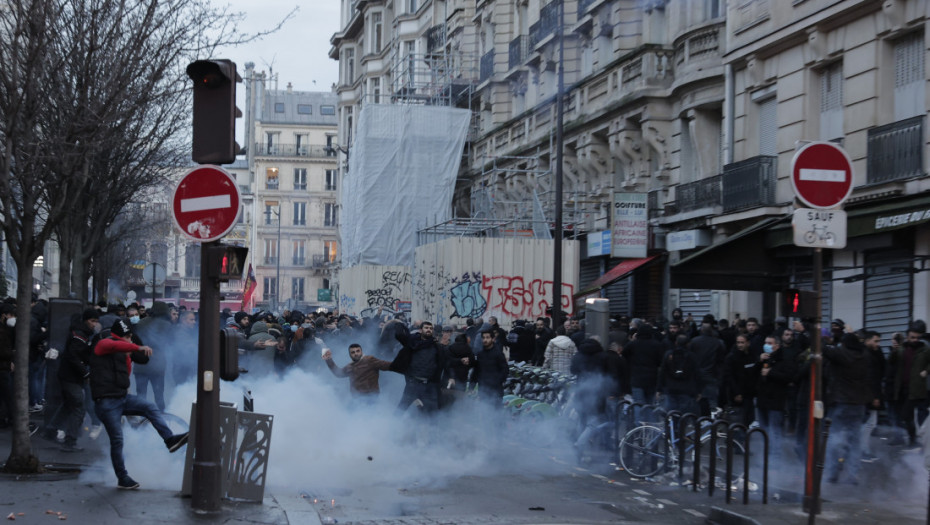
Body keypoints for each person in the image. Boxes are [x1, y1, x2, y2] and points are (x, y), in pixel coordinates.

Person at [90, 319, 188, 489]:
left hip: (122, 398)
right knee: (117, 439)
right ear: (120, 336)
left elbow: (142, 358)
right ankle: (122, 477)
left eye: (131, 337)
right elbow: (113, 345)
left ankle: (170, 440)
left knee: (150, 407)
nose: (131, 340)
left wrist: (136, 349)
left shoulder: (127, 349)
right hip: (106, 402)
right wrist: (136, 347)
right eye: (128, 337)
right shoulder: (103, 345)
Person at [823, 331, 871, 483]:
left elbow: (823, 349)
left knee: (834, 439)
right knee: (854, 441)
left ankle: (833, 472)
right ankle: (853, 473)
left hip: (841, 402)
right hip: (858, 404)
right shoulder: (865, 356)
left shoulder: (842, 354)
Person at [54, 308, 99, 452]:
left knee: (69, 405)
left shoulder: (82, 333)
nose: (94, 324)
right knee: (79, 407)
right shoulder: (80, 335)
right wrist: (85, 373)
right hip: (71, 376)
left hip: (70, 375)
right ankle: (70, 441)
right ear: (86, 320)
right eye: (92, 321)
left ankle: (51, 430)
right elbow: (73, 356)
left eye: (96, 321)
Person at [391, 321, 450, 414]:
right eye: (426, 328)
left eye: (431, 328)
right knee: (401, 409)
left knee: (433, 412)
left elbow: (444, 363)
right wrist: (399, 323)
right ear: (420, 330)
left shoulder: (437, 347)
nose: (429, 330)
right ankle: (392, 427)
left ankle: (430, 428)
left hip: (429, 385)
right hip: (413, 384)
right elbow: (399, 334)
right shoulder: (413, 343)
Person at [322, 343, 393, 401]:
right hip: (357, 399)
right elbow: (339, 373)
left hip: (371, 398)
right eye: (353, 352)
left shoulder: (369, 360)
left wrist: (401, 361)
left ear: (361, 351)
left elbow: (387, 365)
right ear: (350, 354)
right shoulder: (350, 366)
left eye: (358, 351)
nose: (356, 353)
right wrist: (329, 360)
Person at [657, 334, 700, 414]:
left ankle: (673, 425)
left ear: (676, 343)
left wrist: (659, 389)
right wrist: (698, 390)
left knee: (672, 412)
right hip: (686, 389)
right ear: (688, 344)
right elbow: (697, 374)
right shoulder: (692, 356)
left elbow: (662, 372)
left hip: (670, 388)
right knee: (684, 414)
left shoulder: (668, 354)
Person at [472, 330, 508, 405]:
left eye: (487, 337)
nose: (485, 340)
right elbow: (476, 371)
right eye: (483, 338)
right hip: (483, 390)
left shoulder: (498, 354)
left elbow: (505, 370)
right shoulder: (480, 354)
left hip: (496, 391)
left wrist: (496, 382)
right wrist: (471, 387)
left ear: (493, 339)